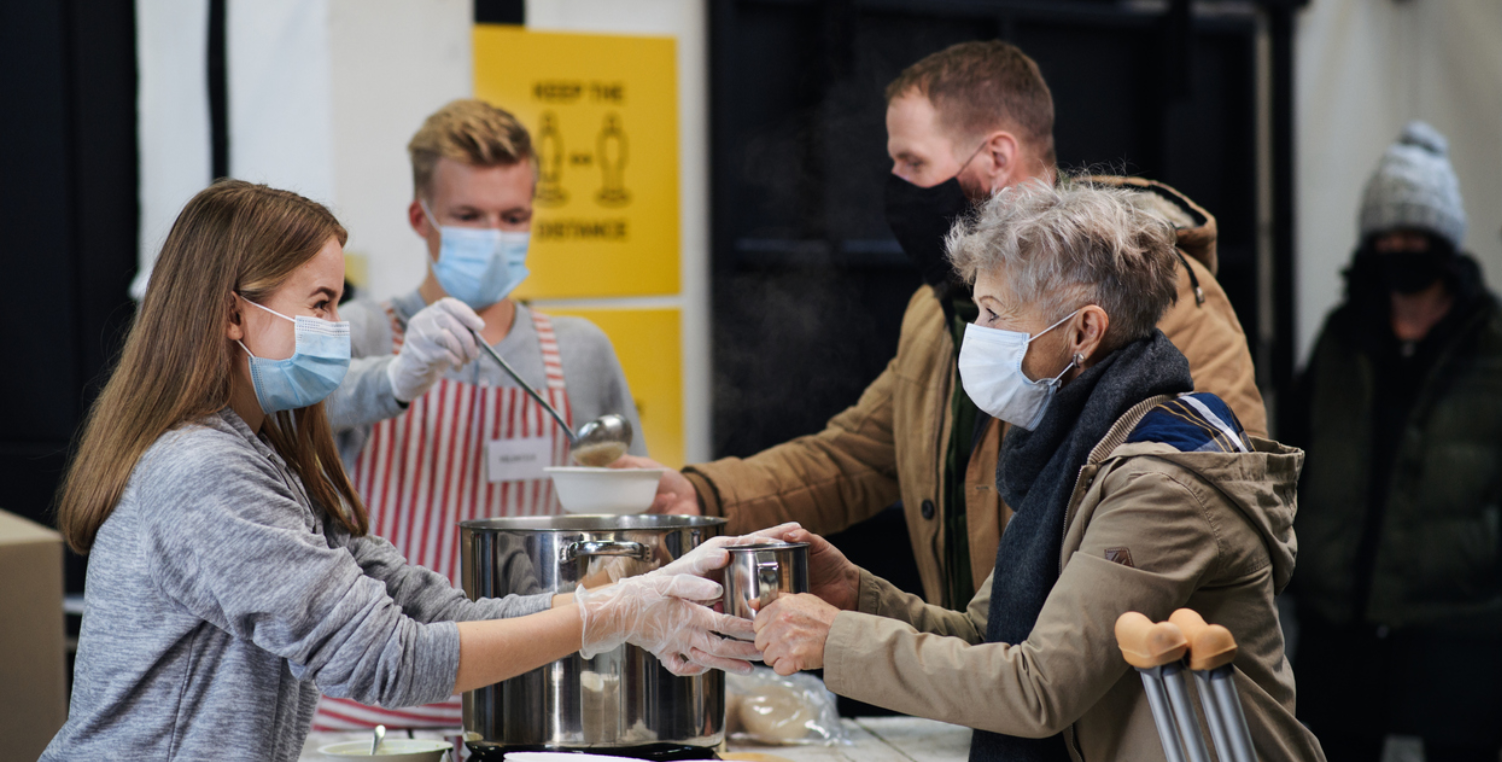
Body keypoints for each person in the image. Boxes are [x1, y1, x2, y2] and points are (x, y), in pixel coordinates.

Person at [42, 180, 760, 762]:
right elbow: (386, 657)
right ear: (234, 315)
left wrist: (626, 603)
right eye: (320, 304)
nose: (335, 328)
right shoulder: (204, 469)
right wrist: (606, 614)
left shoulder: (263, 459)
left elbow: (430, 610)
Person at [620, 40, 1265, 610]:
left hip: (1089, 690)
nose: (896, 185)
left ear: (997, 157)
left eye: (913, 162)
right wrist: (700, 495)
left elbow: (1222, 505)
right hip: (976, 680)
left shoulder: (1154, 298)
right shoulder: (940, 311)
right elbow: (856, 455)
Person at [749, 180, 1323, 762]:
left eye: (994, 313)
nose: (977, 334)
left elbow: (1039, 689)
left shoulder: (1159, 483)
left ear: (1084, 332)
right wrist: (856, 597)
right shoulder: (1076, 447)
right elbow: (988, 637)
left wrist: (837, 641)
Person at [320, 100, 646, 727]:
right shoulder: (358, 333)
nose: (494, 237)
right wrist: (395, 376)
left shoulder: (579, 352)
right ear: (421, 218)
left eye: (513, 218)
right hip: (370, 705)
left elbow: (624, 526)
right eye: (469, 217)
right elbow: (283, 416)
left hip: (534, 702)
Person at [1285, 122, 1502, 762]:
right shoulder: (1342, 336)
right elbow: (1296, 449)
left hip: (1457, 622)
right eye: (1387, 235)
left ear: (1445, 242)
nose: (1400, 248)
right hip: (1340, 617)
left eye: (1416, 234)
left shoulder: (1491, 345)